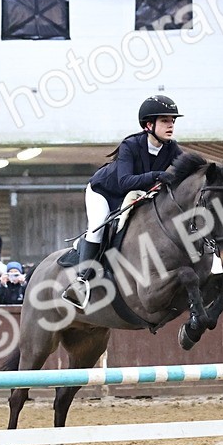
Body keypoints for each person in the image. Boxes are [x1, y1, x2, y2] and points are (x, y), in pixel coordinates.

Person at [62, 95, 186, 308]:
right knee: (98, 227)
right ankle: (81, 281)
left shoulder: (172, 149)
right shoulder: (131, 145)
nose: (171, 125)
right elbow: (125, 180)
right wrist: (157, 175)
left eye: (172, 121)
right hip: (105, 191)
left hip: (135, 193)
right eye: (165, 120)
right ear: (149, 125)